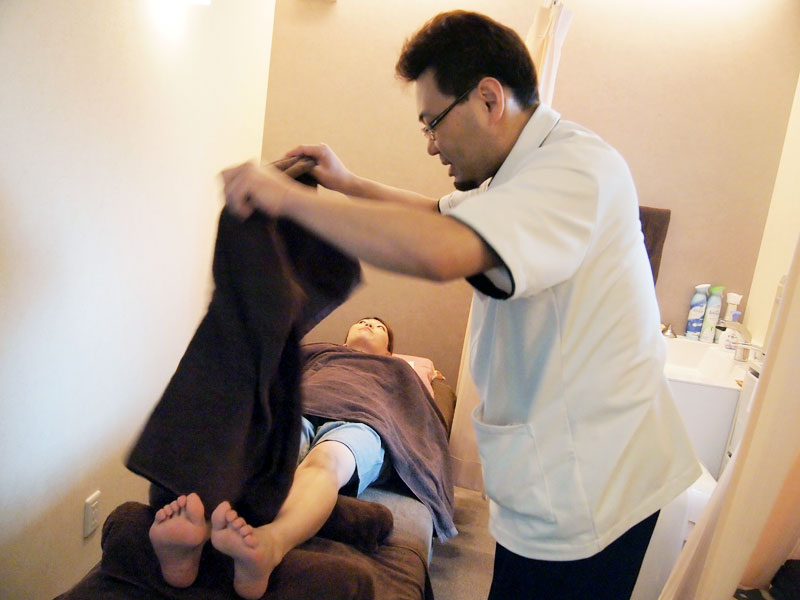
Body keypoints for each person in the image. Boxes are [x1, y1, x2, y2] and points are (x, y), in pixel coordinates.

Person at [220, 9, 701, 600]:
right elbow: (438, 213)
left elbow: (443, 250)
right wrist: (347, 182)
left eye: (433, 123)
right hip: (553, 479)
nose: (430, 145)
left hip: (593, 493)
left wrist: (287, 201)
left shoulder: (575, 170)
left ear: (489, 99)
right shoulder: (518, 175)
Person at [148, 316, 452, 600]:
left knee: (326, 462)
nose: (368, 325)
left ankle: (270, 545)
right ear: (344, 340)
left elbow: (420, 418)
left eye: (378, 326)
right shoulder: (320, 353)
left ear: (389, 352)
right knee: (258, 459)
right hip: (296, 413)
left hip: (362, 422)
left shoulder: (399, 370)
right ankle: (194, 537)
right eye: (362, 321)